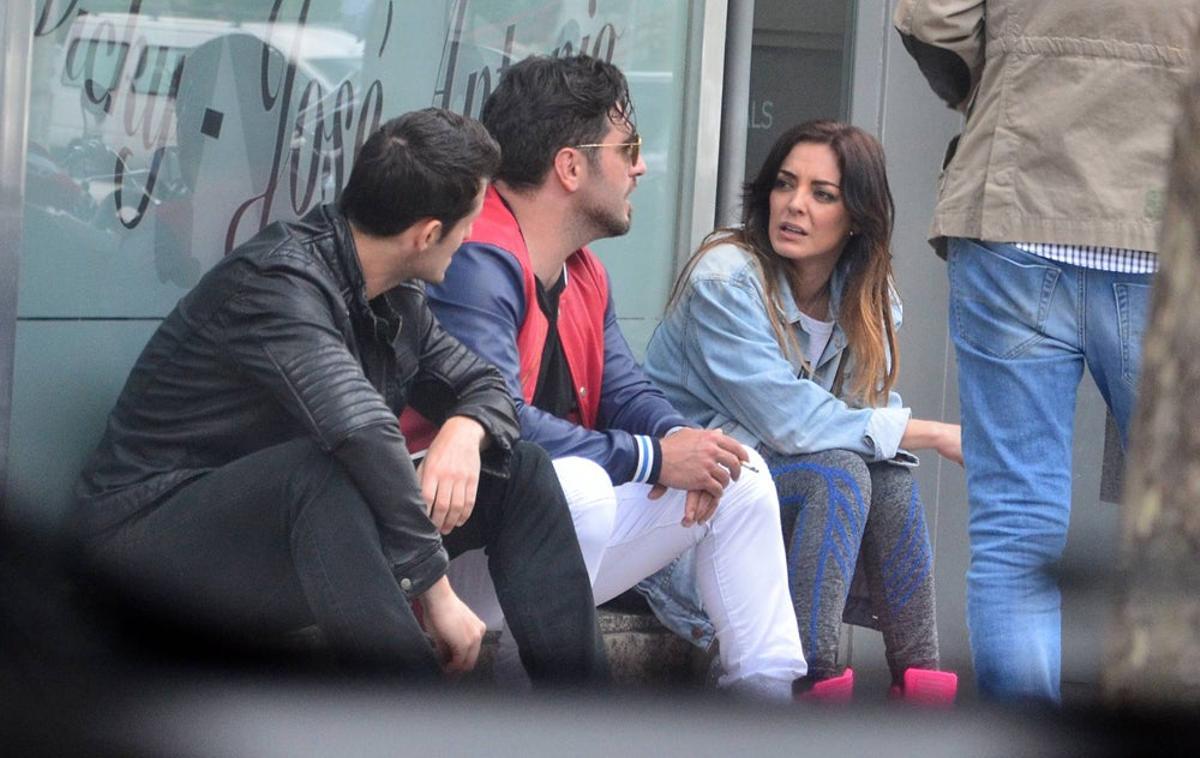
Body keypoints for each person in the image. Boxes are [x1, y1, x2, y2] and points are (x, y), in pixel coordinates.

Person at [72, 108, 608, 685]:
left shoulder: (394, 294)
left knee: (521, 470)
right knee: (323, 472)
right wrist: (437, 591)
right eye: (469, 223)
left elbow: (486, 384)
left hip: (287, 542)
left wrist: (465, 429)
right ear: (427, 234)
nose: (473, 236)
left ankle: (583, 712)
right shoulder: (277, 285)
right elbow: (360, 431)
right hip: (146, 550)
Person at [420, 54, 807, 700]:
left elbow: (625, 391)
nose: (641, 167)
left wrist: (684, 445)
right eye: (628, 148)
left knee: (737, 475)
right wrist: (654, 458)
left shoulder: (581, 270)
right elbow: (499, 422)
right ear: (570, 167)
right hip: (439, 562)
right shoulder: (475, 256)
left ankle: (765, 710)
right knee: (577, 488)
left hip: (541, 551)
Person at [894, 0, 1198, 702]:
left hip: (1016, 207)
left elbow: (933, 17)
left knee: (1015, 531)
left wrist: (1005, 77)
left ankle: (1025, 737)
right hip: (1165, 228)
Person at [641, 120, 959, 703]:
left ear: (856, 216)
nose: (794, 205)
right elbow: (794, 422)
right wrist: (936, 433)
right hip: (684, 512)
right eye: (785, 184)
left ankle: (921, 686)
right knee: (841, 471)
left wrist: (895, 435)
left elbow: (864, 429)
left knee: (885, 476)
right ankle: (810, 681)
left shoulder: (867, 300)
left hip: (785, 508)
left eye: (822, 194)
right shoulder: (726, 281)